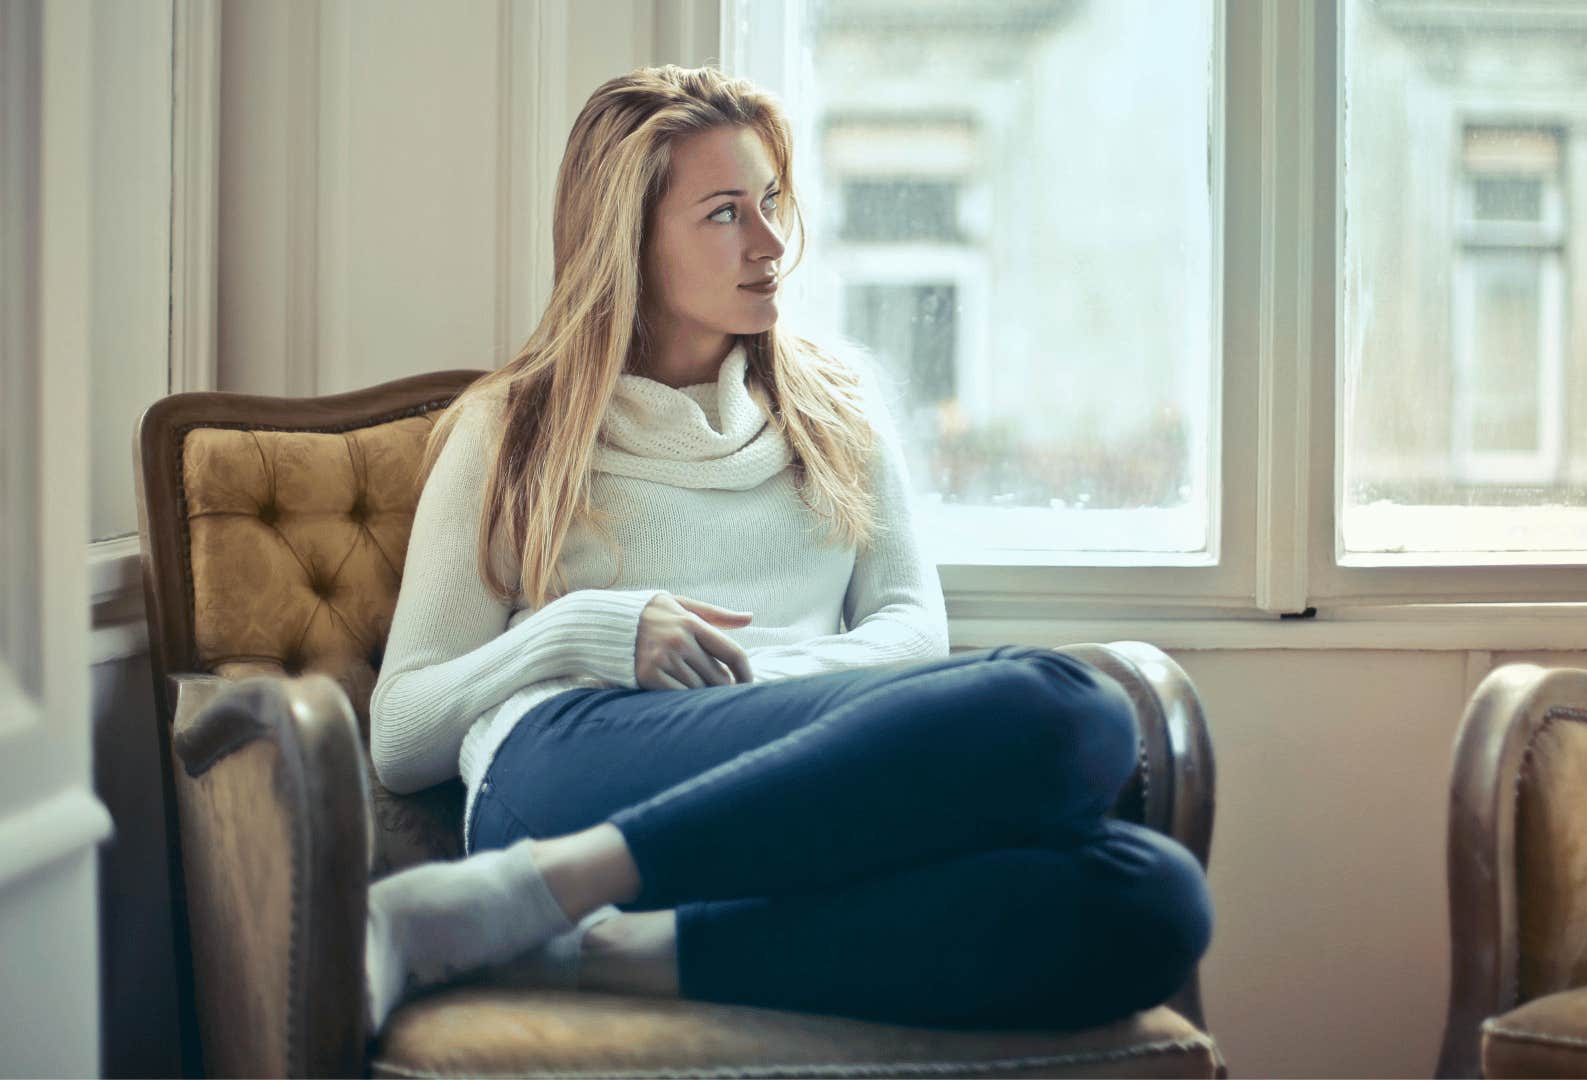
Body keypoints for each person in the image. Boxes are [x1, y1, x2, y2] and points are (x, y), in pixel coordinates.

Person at [363, 63, 1212, 1038]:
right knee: (1066, 706)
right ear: (626, 241)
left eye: (770, 202)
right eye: (725, 213)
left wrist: (760, 681)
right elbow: (401, 733)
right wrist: (580, 631)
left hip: (799, 771)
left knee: (1151, 897)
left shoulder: (836, 403)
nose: (770, 244)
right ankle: (540, 883)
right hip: (569, 766)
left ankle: (593, 946)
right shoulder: (512, 429)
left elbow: (910, 629)